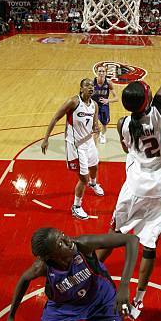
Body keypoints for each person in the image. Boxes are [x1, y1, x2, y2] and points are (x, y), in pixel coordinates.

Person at [96, 0, 161, 320]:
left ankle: (90, 275)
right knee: (150, 245)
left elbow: (129, 150)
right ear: (148, 98)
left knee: (114, 234)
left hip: (136, 186)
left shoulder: (125, 125)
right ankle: (138, 298)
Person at [2, 228, 138, 321]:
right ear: (51, 256)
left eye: (62, 234)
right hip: (64, 307)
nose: (67, 240)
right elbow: (24, 279)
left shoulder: (83, 244)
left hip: (100, 299)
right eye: (60, 244)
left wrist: (124, 285)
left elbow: (131, 240)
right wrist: (11, 316)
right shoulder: (42, 267)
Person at [41, 79, 105, 220]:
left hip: (89, 142)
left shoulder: (94, 105)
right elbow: (55, 118)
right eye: (87, 85)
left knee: (94, 166)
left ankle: (93, 184)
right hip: (75, 145)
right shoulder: (73, 102)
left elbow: (95, 124)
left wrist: (97, 128)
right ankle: (76, 206)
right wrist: (46, 139)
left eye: (92, 86)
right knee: (83, 178)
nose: (90, 88)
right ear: (81, 88)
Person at [91, 65, 117, 144]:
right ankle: (94, 134)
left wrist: (107, 100)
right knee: (92, 122)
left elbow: (116, 98)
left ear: (106, 73)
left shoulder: (108, 83)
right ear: (96, 72)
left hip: (103, 105)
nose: (101, 73)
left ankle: (103, 135)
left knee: (104, 122)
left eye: (103, 71)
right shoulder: (92, 83)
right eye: (99, 71)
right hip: (93, 104)